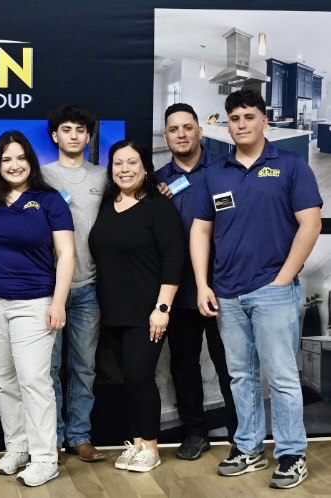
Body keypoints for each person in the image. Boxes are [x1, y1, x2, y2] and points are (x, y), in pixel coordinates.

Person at [190, 88, 322, 489]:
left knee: (281, 377)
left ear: (265, 121)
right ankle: (247, 448)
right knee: (241, 376)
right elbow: (200, 228)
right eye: (234, 118)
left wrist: (283, 278)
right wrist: (202, 285)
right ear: (226, 125)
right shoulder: (215, 172)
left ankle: (291, 454)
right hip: (226, 293)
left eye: (249, 116)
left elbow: (310, 223)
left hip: (273, 292)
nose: (241, 124)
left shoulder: (291, 166)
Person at [0, 130, 75, 487]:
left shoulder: (49, 200)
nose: (14, 165)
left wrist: (59, 301)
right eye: (6, 159)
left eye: (20, 158)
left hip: (35, 302)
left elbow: (67, 254)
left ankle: (45, 457)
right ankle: (17, 448)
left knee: (34, 380)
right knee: (4, 379)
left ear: (30, 161)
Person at [88, 139, 184, 473]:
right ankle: (137, 443)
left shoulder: (159, 207)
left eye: (132, 163)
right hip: (113, 309)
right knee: (129, 378)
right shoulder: (105, 205)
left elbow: (174, 258)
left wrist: (163, 308)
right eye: (118, 163)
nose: (125, 170)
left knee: (141, 376)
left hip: (148, 310)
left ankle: (152, 448)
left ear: (145, 167)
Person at [155, 103, 237, 460]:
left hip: (223, 286)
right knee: (183, 365)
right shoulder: (156, 180)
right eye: (174, 129)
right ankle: (194, 431)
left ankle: (242, 434)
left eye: (188, 127)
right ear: (166, 136)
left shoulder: (225, 169)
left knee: (232, 363)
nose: (182, 134)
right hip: (178, 288)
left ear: (200, 131)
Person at [45, 105, 107, 463]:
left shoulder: (104, 177)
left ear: (88, 136)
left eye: (79, 130)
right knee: (48, 369)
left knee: (84, 366)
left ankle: (80, 436)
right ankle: (50, 437)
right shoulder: (38, 175)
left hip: (89, 287)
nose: (72, 135)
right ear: (55, 136)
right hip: (48, 291)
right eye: (65, 129)